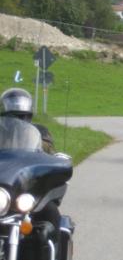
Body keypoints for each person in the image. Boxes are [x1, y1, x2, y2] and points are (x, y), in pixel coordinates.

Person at [0, 88, 61, 251]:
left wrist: (53, 159)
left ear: (29, 115)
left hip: (28, 188)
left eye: (23, 116)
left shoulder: (40, 132)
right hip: (3, 187)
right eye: (13, 116)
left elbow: (49, 156)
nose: (19, 120)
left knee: (51, 212)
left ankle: (53, 250)